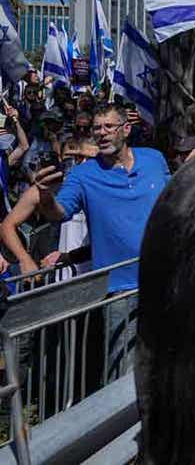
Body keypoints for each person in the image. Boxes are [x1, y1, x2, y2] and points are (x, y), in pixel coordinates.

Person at [32, 103, 171, 380]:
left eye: (109, 126)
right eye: (97, 128)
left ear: (126, 129)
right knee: (123, 376)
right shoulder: (83, 175)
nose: (102, 133)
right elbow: (59, 213)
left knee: (169, 366)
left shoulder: (154, 159)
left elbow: (174, 203)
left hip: (164, 283)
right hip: (119, 292)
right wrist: (46, 197)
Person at [1, 138, 98, 277]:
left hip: (100, 272)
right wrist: (25, 260)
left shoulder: (110, 191)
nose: (83, 163)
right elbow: (7, 226)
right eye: (79, 158)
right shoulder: (46, 189)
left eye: (91, 159)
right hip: (57, 276)